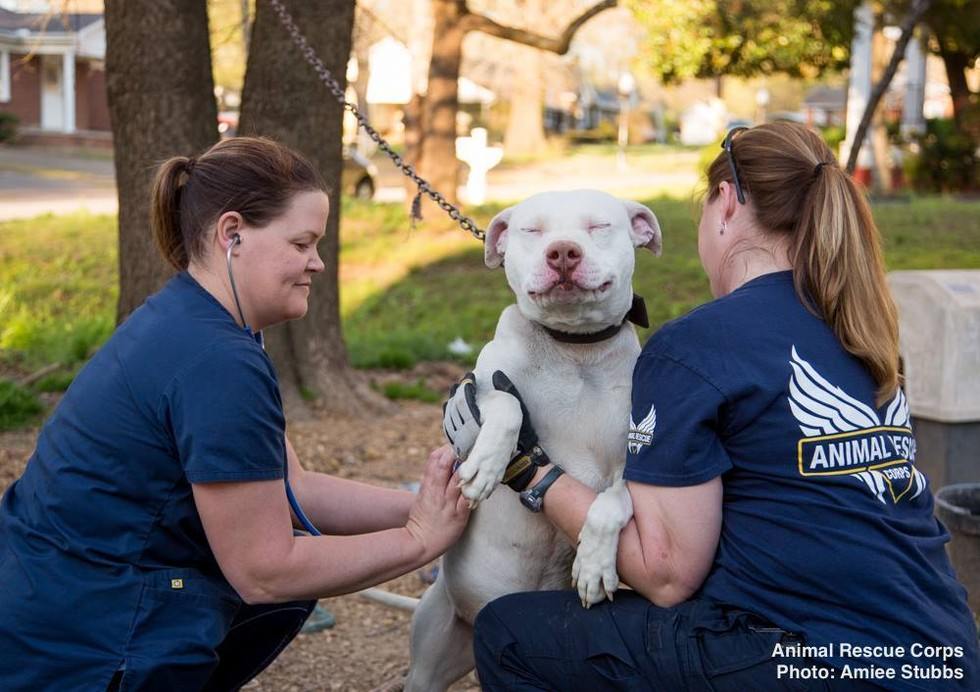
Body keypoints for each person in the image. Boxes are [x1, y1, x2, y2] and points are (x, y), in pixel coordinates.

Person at [452, 123, 979, 690]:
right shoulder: (863, 329)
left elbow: (666, 576)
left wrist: (528, 469)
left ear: (725, 205)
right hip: (943, 651)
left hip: (814, 665)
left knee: (509, 630)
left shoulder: (694, 347)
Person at [0, 136, 470, 691]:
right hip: (89, 641)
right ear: (232, 233)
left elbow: (291, 487)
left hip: (50, 599)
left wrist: (427, 507)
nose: (317, 262)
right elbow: (265, 571)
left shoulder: (193, 318)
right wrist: (419, 541)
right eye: (302, 243)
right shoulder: (217, 362)